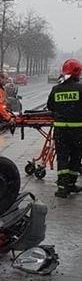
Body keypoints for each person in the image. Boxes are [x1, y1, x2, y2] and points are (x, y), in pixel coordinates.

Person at [46, 58, 82, 198]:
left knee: (62, 158)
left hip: (61, 131)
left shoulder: (56, 89)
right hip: (78, 131)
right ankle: (71, 184)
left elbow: (50, 106)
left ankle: (62, 188)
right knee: (75, 157)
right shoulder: (80, 89)